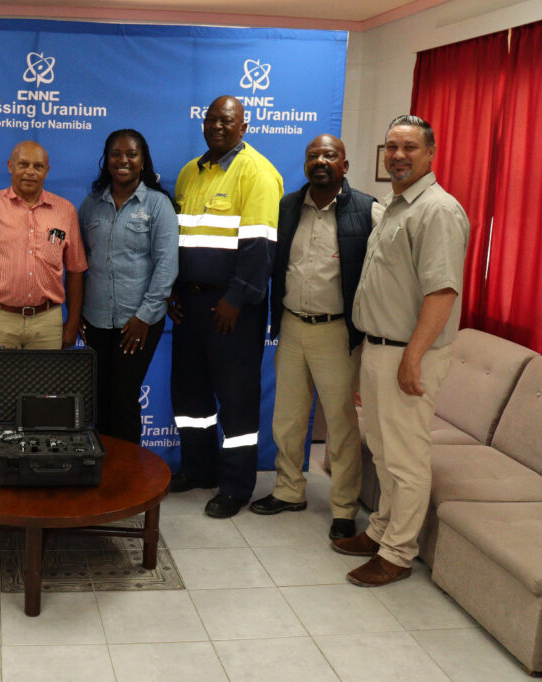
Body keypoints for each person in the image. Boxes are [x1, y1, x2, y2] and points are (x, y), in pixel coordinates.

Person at [332, 115, 469, 587]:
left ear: (431, 154)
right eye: (392, 146)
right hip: (379, 347)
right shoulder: (395, 205)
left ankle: (398, 552)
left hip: (409, 353)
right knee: (384, 451)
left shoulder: (438, 211)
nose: (398, 155)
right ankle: (380, 531)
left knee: (406, 458)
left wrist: (413, 357)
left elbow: (442, 292)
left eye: (410, 147)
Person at [249, 134, 375, 540]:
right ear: (305, 164)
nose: (320, 161)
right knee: (287, 419)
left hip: (337, 332)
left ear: (344, 165)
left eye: (329, 155)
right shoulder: (287, 206)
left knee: (341, 424)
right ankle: (289, 491)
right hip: (291, 327)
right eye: (313, 155)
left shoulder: (367, 210)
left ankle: (343, 508)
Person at [169, 94, 284, 519]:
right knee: (190, 393)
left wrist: (235, 299)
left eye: (227, 120)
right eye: (212, 119)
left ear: (243, 127)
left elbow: (260, 247)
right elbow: (179, 241)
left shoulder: (256, 171)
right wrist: (174, 290)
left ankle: (235, 486)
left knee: (236, 398)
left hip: (234, 307)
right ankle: (199, 469)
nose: (217, 126)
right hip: (190, 302)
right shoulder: (190, 172)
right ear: (203, 123)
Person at [0, 140, 88, 433]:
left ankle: (34, 460)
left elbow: (76, 271)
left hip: (47, 321)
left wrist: (72, 323)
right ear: (10, 167)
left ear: (47, 171)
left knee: (43, 402)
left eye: (38, 166)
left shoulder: (65, 211)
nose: (30, 171)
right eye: (23, 164)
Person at [78, 129, 178, 443]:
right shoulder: (91, 204)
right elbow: (79, 261)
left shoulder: (158, 204)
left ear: (142, 160)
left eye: (131, 154)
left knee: (123, 398)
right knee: (98, 400)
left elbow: (166, 265)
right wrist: (77, 311)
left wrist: (144, 317)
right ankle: (101, 465)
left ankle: (126, 471)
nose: (123, 160)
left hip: (138, 322)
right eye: (116, 154)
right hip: (95, 319)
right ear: (106, 160)